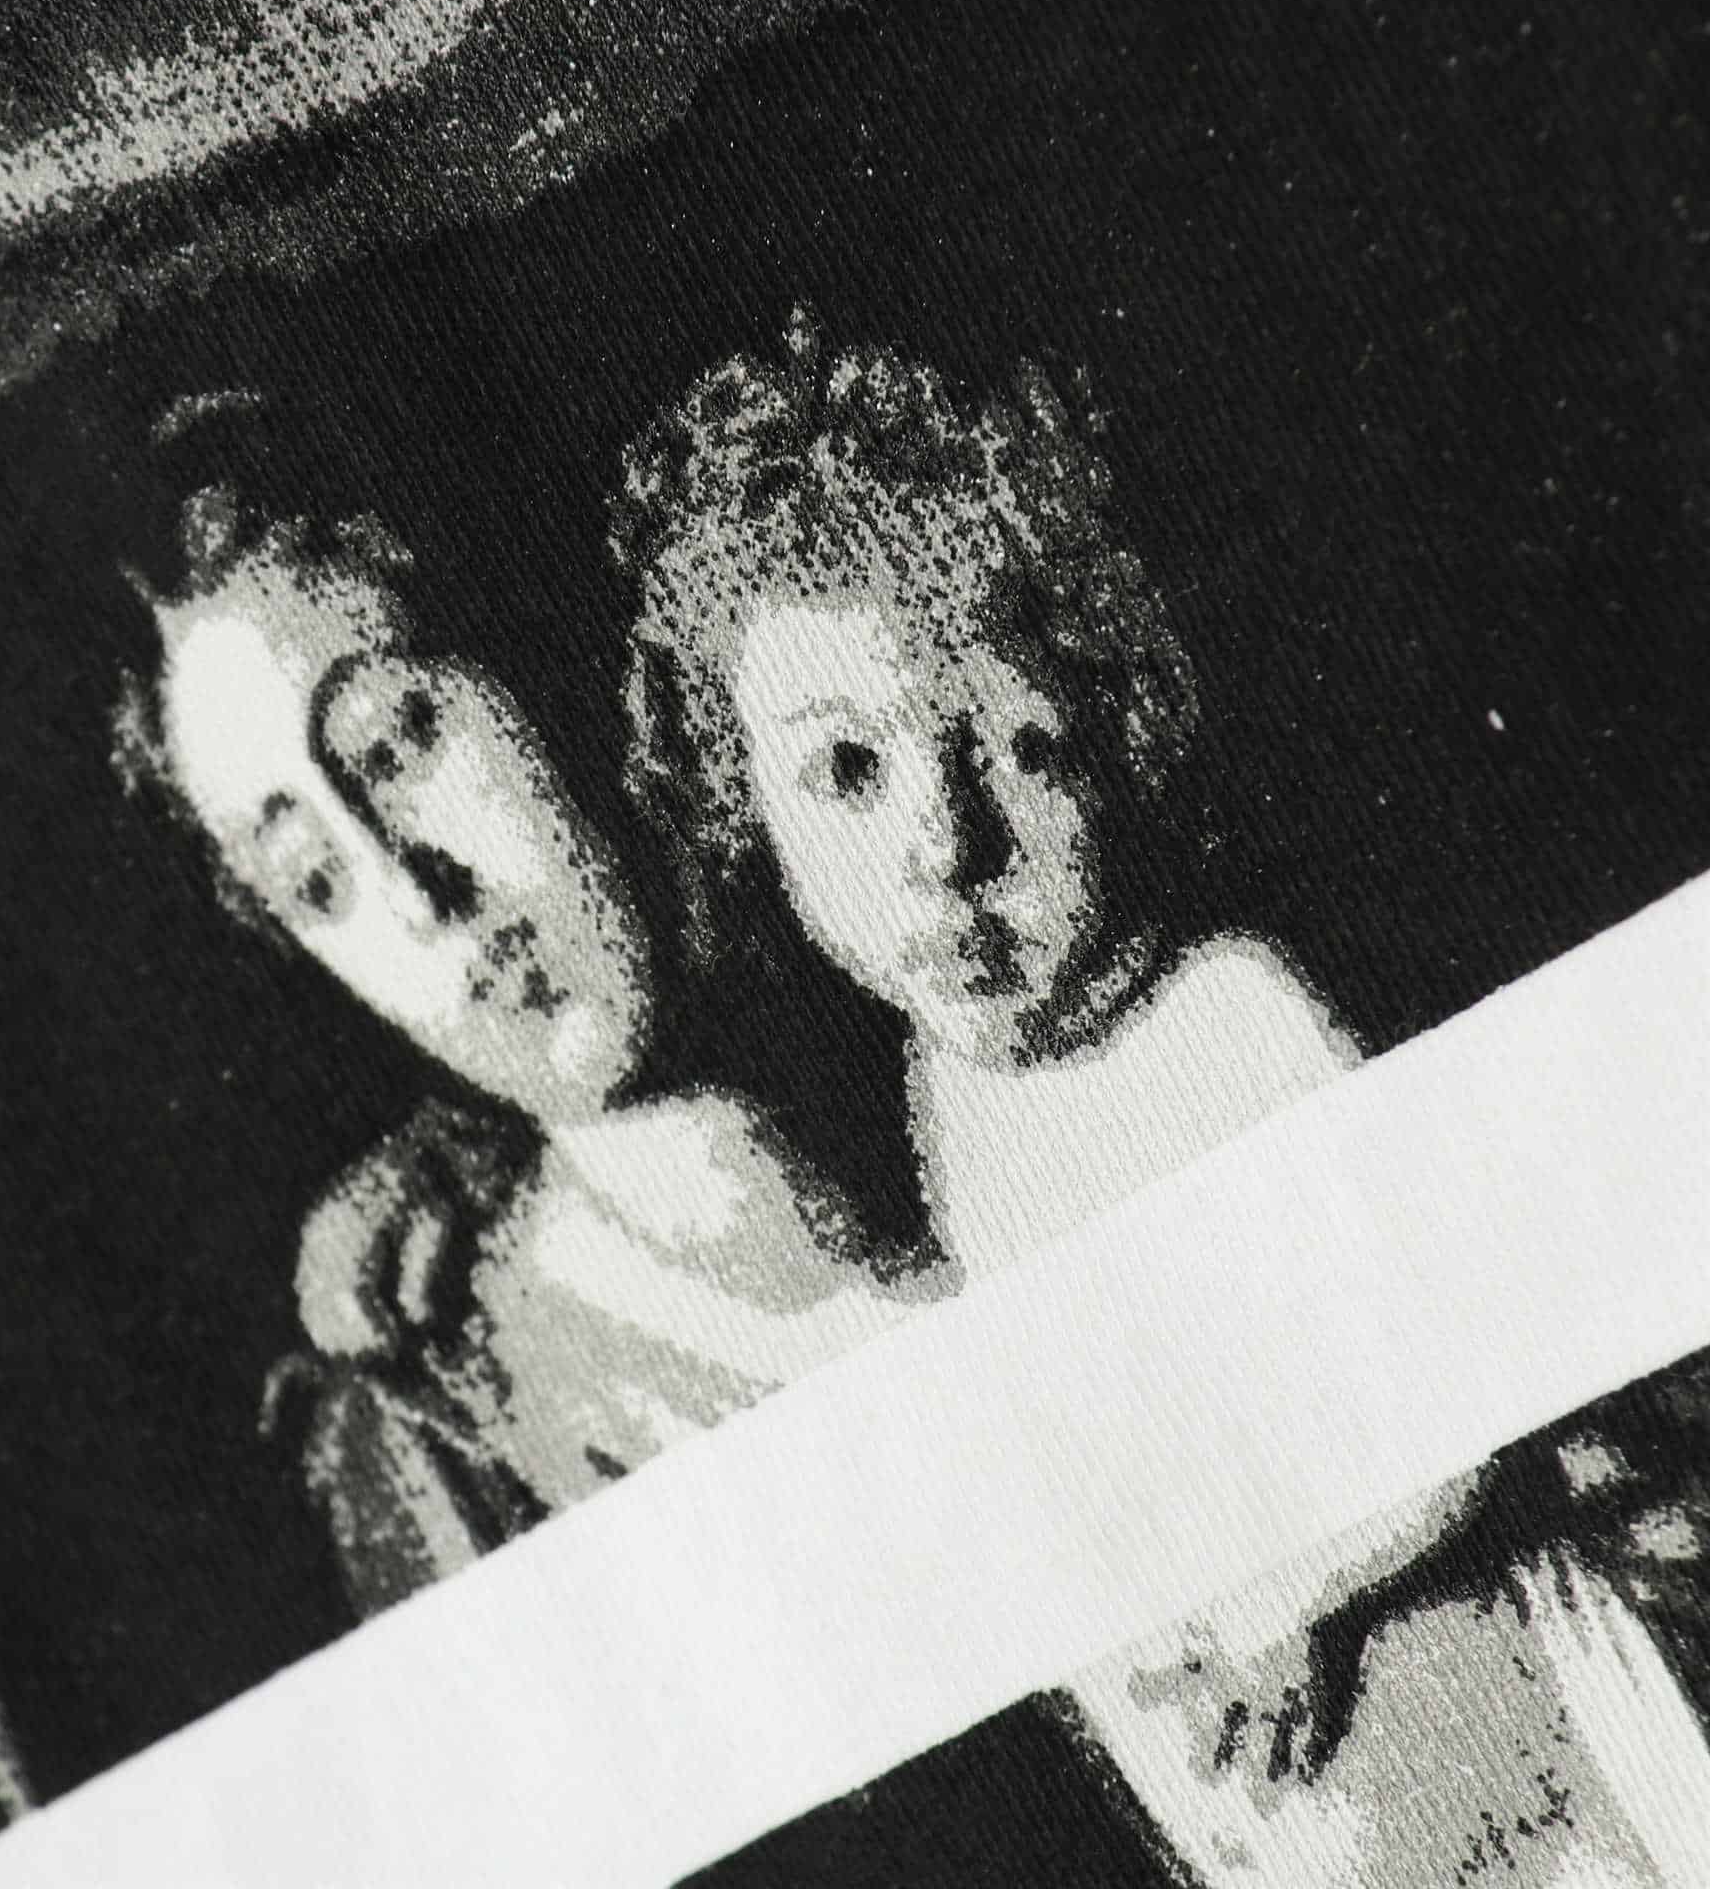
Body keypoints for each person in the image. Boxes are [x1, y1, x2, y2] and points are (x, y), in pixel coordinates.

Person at [613, 315, 1710, 1884]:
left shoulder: (1228, 1019)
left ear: (1114, 736)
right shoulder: (946, 1084)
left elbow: (1445, 1386)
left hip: (1497, 1704)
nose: (950, 845)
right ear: (746, 808)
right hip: (1294, 1781)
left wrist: (1281, 1605)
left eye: (1017, 747)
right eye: (848, 772)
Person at [118, 462, 911, 1615]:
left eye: (394, 746)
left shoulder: (961, 978)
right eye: (313, 877)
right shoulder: (459, 1436)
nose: (415, 893)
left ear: (529, 662)